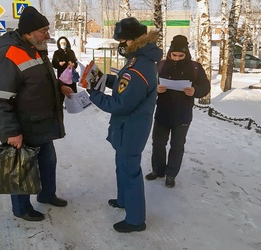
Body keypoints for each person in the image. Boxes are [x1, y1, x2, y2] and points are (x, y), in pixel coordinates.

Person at [0, 6, 73, 221]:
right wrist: (11, 131)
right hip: (23, 127)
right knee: (22, 167)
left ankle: (47, 194)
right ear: (27, 33)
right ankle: (21, 208)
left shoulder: (37, 48)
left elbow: (38, 81)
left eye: (48, 29)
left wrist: (59, 86)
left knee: (48, 162)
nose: (48, 34)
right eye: (43, 30)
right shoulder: (8, 56)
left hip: (42, 123)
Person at [87, 17, 163, 232]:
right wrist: (100, 78)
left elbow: (120, 104)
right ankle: (124, 200)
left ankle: (136, 220)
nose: (120, 45)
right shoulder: (137, 61)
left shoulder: (139, 66)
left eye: (122, 41)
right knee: (122, 167)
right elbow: (123, 81)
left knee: (130, 172)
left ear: (132, 41)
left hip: (131, 129)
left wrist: (94, 94)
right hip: (127, 128)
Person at [145, 35, 210, 188]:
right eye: (174, 55)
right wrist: (156, 89)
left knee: (177, 146)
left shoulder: (195, 67)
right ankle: (158, 170)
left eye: (181, 55)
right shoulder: (160, 65)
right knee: (158, 144)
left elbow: (205, 86)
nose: (177, 58)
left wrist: (195, 90)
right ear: (169, 53)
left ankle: (171, 175)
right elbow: (149, 84)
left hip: (183, 115)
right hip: (162, 113)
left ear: (186, 53)